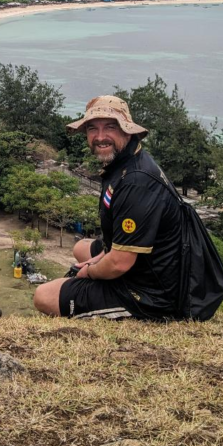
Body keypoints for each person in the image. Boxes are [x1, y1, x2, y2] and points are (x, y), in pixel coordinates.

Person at [33, 95, 183, 321]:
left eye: (111, 127)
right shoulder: (127, 161)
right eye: (92, 128)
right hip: (149, 261)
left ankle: (144, 314)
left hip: (153, 293)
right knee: (82, 248)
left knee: (43, 295)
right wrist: (96, 259)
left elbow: (120, 262)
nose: (100, 137)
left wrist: (89, 272)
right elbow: (118, 246)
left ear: (127, 130)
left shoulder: (135, 182)